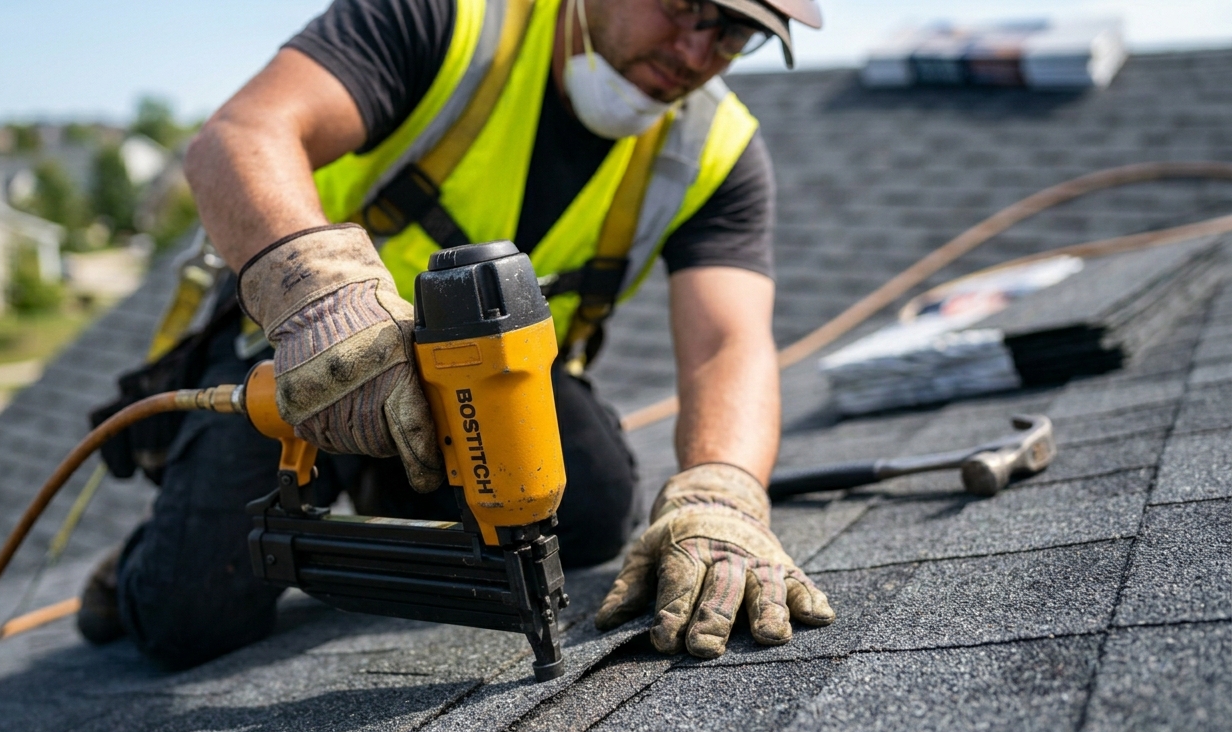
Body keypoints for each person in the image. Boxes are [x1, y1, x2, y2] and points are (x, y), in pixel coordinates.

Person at [78, 0, 836, 669]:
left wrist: (724, 493)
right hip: (313, 357)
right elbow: (239, 137)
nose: (697, 52)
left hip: (494, 382)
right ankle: (160, 546)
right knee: (188, 619)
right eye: (683, 6)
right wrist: (327, 306)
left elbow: (726, 342)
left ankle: (389, 481)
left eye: (736, 33)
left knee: (594, 509)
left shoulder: (720, 150)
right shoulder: (449, 20)